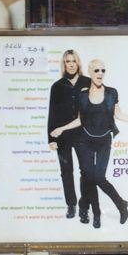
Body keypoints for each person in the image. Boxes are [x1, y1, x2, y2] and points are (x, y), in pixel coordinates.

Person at [49, 58, 128, 228]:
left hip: (104, 141)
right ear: (90, 72)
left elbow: (119, 114)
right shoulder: (83, 95)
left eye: (103, 70)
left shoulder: (111, 92)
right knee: (89, 177)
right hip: (85, 141)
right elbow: (80, 120)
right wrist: (61, 129)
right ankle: (96, 213)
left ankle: (121, 205)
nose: (100, 73)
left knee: (99, 177)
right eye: (96, 70)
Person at [47, 49, 89, 220]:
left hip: (83, 134)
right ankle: (71, 204)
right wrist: (51, 138)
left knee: (86, 171)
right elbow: (52, 113)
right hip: (62, 135)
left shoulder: (88, 82)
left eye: (73, 61)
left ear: (78, 63)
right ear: (64, 65)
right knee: (66, 171)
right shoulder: (57, 86)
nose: (71, 64)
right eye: (67, 61)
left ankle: (84, 206)